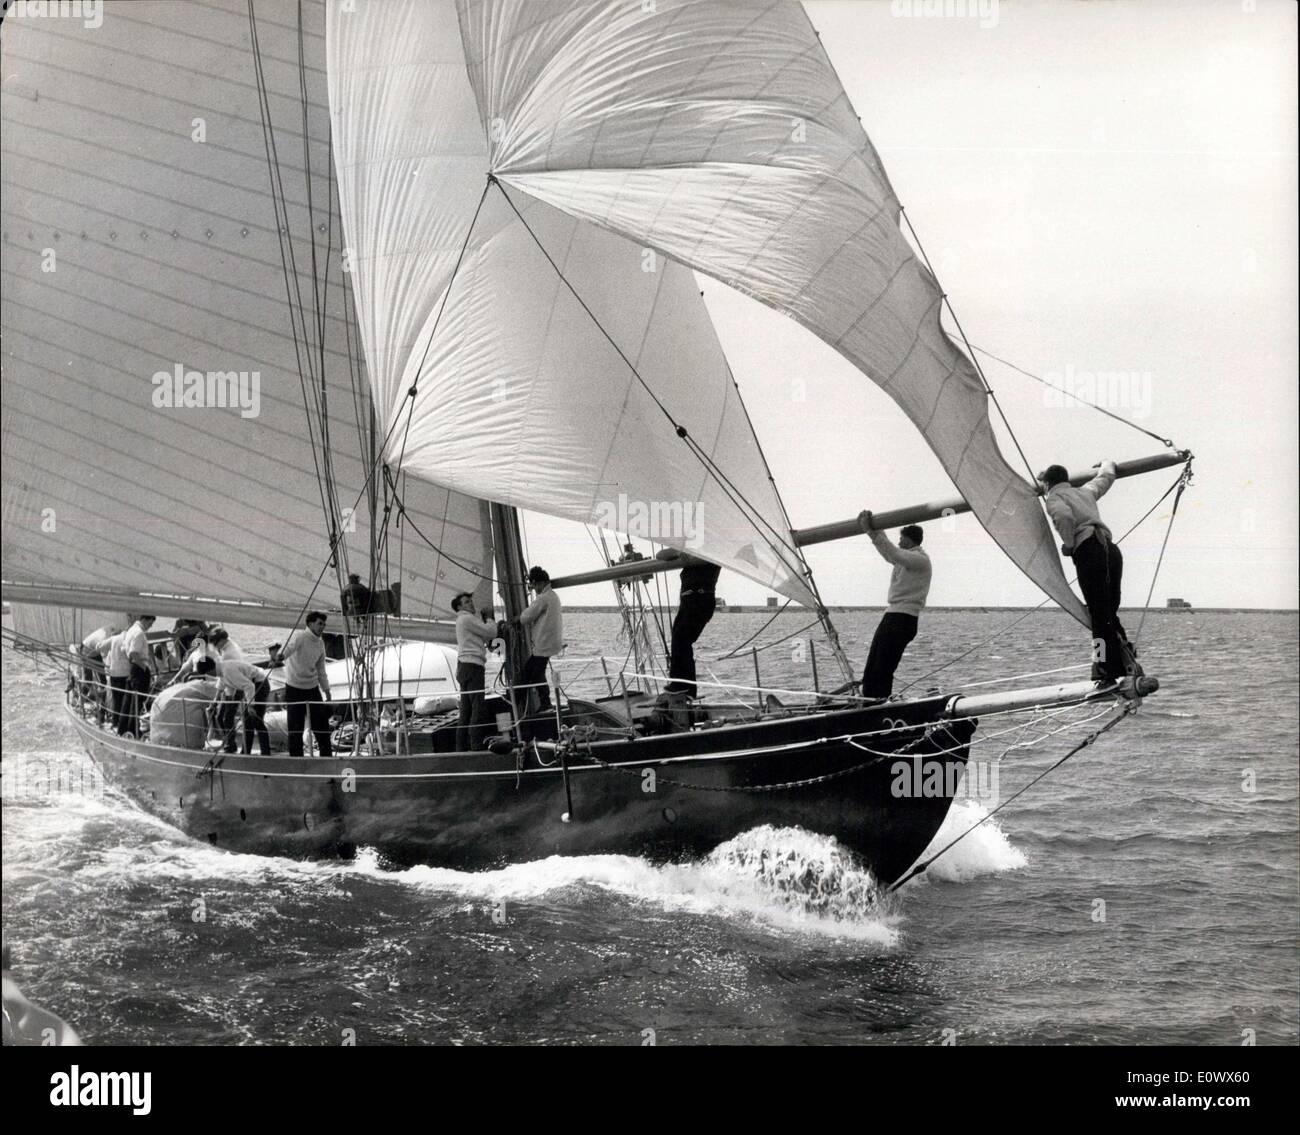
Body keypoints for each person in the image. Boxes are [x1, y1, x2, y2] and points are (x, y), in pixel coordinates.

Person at [1039, 460, 1135, 682]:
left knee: (1098, 615)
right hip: (1111, 551)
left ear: (1047, 484)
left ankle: (1103, 668)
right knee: (1108, 612)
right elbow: (1105, 478)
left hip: (1090, 551)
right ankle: (1125, 658)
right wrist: (1107, 463)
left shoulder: (1055, 497)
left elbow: (1064, 517)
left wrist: (1069, 544)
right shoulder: (1084, 492)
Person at [860, 523, 931, 700]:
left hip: (903, 618)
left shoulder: (919, 559)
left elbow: (894, 552)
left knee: (883, 667)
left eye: (901, 539)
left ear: (909, 540)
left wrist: (875, 531)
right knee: (872, 667)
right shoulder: (905, 558)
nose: (898, 543)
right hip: (892, 616)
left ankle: (879, 704)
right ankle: (870, 702)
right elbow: (888, 553)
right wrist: (872, 532)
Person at [277, 611, 333, 756]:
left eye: (324, 624)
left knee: (321, 725)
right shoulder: (299, 637)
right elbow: (288, 648)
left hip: (312, 688)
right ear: (310, 624)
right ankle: (297, 760)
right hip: (294, 688)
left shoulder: (320, 643)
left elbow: (321, 669)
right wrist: (280, 656)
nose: (323, 627)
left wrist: (326, 690)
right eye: (320, 624)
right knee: (295, 728)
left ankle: (326, 757)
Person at [665, 560, 722, 696]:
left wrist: (679, 552)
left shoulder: (704, 554)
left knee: (681, 640)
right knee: (679, 641)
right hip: (689, 601)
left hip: (698, 601)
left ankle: (682, 686)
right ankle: (683, 686)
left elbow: (664, 555)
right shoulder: (692, 555)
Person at [452, 592, 498, 751]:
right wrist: (490, 618)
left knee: (465, 711)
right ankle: (476, 745)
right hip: (473, 667)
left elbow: (483, 637)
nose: (471, 604)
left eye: (471, 601)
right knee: (477, 707)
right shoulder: (467, 619)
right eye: (466, 602)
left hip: (463, 667)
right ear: (459, 607)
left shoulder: (462, 621)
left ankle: (460, 748)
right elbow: (491, 633)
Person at [514, 566, 562, 713]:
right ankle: (521, 701)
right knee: (531, 674)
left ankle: (542, 704)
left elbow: (526, 617)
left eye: (533, 586)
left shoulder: (543, 598)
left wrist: (517, 619)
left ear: (540, 583)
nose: (534, 589)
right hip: (549, 643)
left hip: (543, 644)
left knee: (531, 675)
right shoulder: (553, 596)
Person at [108, 614, 157, 735]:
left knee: (128, 701)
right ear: (145, 619)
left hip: (133, 669)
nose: (150, 627)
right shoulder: (139, 633)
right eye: (150, 623)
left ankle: (123, 729)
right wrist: (145, 667)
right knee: (137, 702)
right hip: (139, 669)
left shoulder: (130, 631)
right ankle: (133, 731)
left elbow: (124, 649)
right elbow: (134, 654)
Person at [215, 656, 274, 755]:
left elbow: (249, 686)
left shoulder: (227, 670)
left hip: (259, 684)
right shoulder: (221, 670)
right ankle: (246, 752)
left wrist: (251, 706)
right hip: (252, 685)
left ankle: (266, 752)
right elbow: (222, 685)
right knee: (247, 722)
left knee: (256, 720)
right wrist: (215, 701)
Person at [78, 622, 119, 694]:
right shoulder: (104, 638)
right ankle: (83, 696)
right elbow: (105, 654)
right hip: (86, 650)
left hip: (93, 650)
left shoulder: (105, 631)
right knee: (88, 678)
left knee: (102, 675)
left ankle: (102, 694)